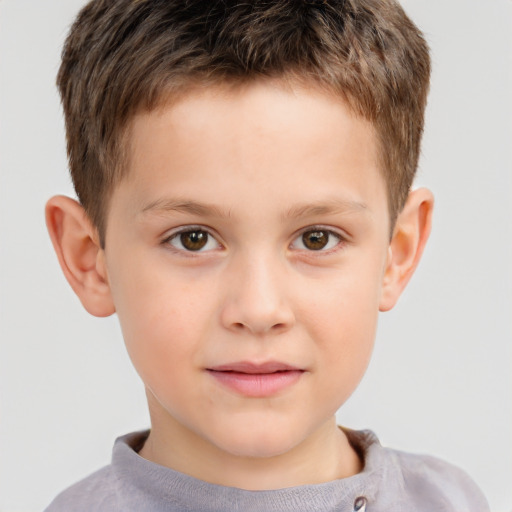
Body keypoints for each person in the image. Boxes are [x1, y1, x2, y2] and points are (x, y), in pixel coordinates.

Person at [43, 0, 490, 510]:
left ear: (397, 253)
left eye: (317, 238)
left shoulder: (453, 501)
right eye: (193, 238)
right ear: (89, 259)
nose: (258, 310)